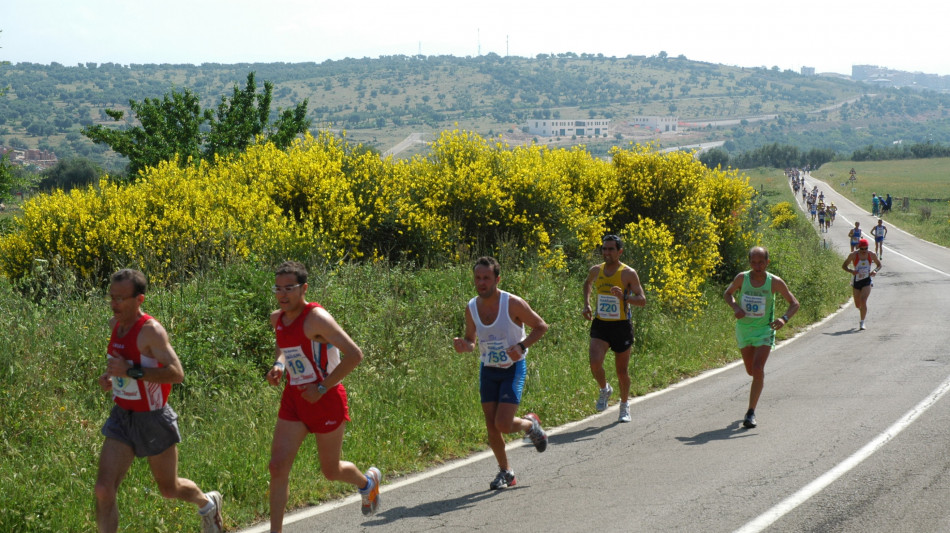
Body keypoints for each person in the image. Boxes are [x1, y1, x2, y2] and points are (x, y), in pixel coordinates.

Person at [95, 269, 223, 533]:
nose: (114, 303)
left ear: (139, 299)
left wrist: (129, 372)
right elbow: (117, 367)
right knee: (103, 490)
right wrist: (109, 377)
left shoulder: (151, 331)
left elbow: (176, 374)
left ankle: (208, 503)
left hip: (152, 417)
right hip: (122, 416)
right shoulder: (114, 326)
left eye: (121, 298)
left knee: (169, 488)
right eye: (112, 297)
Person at [266, 261, 381, 530]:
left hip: (325, 399)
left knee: (331, 471)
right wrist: (279, 365)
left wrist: (321, 388)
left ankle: (367, 483)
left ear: (304, 288)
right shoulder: (278, 318)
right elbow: (283, 346)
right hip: (294, 400)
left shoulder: (317, 318)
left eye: (289, 289)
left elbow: (355, 355)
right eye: (278, 288)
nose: (282, 295)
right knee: (277, 467)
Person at [453, 256, 549, 490]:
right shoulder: (472, 307)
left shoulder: (512, 303)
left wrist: (522, 346)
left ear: (497, 279)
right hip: (488, 369)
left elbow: (541, 326)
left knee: (504, 424)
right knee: (491, 425)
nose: (481, 282)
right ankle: (506, 472)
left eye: (486, 278)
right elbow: (472, 340)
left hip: (512, 369)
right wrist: (465, 345)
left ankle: (530, 425)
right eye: (478, 278)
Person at [723, 247, 800, 429]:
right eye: (754, 262)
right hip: (744, 330)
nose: (757, 266)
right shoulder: (742, 278)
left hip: (765, 331)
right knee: (751, 371)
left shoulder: (774, 282)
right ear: (749, 263)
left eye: (761, 262)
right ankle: (757, 384)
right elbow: (728, 294)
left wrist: (784, 318)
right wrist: (735, 308)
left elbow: (794, 303)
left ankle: (750, 412)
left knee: (758, 368)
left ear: (767, 262)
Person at [581, 235, 647, 423]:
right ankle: (605, 389)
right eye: (604, 249)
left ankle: (624, 406)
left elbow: (642, 300)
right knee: (595, 362)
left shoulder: (628, 273)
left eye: (611, 249)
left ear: (619, 251)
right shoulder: (596, 270)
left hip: (621, 326)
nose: (606, 253)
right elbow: (587, 284)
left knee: (621, 371)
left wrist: (624, 298)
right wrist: (586, 304)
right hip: (601, 323)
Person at [842, 238, 882, 330]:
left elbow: (879, 265)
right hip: (856, 281)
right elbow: (844, 266)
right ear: (859, 248)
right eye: (862, 249)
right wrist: (851, 271)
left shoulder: (871, 254)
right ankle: (862, 310)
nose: (864, 251)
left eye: (866, 248)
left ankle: (862, 322)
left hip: (867, 280)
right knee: (857, 304)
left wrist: (875, 271)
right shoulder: (853, 255)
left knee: (863, 300)